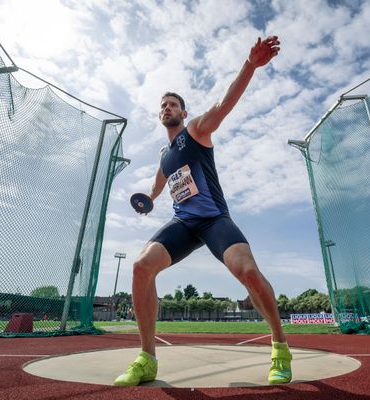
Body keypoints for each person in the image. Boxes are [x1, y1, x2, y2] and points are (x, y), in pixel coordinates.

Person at [114, 35, 292, 387]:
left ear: (183, 112)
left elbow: (224, 105)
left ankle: (280, 348)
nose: (166, 109)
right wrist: (146, 201)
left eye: (172, 105)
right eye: (162, 106)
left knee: (249, 274)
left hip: (214, 220)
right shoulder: (164, 158)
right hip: (184, 223)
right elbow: (157, 188)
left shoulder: (196, 131)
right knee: (140, 267)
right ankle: (147, 359)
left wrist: (250, 65)